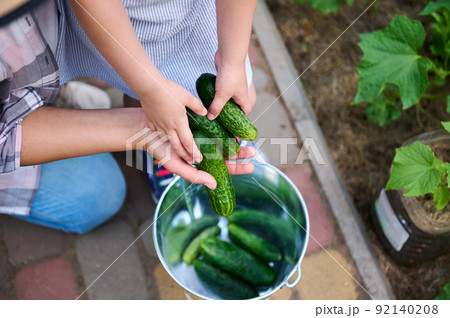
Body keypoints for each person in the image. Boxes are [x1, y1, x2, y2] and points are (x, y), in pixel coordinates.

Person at [0, 0, 257, 234]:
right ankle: (26, 99)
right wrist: (147, 102)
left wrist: (233, 59)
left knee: (174, 81)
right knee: (99, 196)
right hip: (15, 90)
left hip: (48, 37)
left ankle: (44, 95)